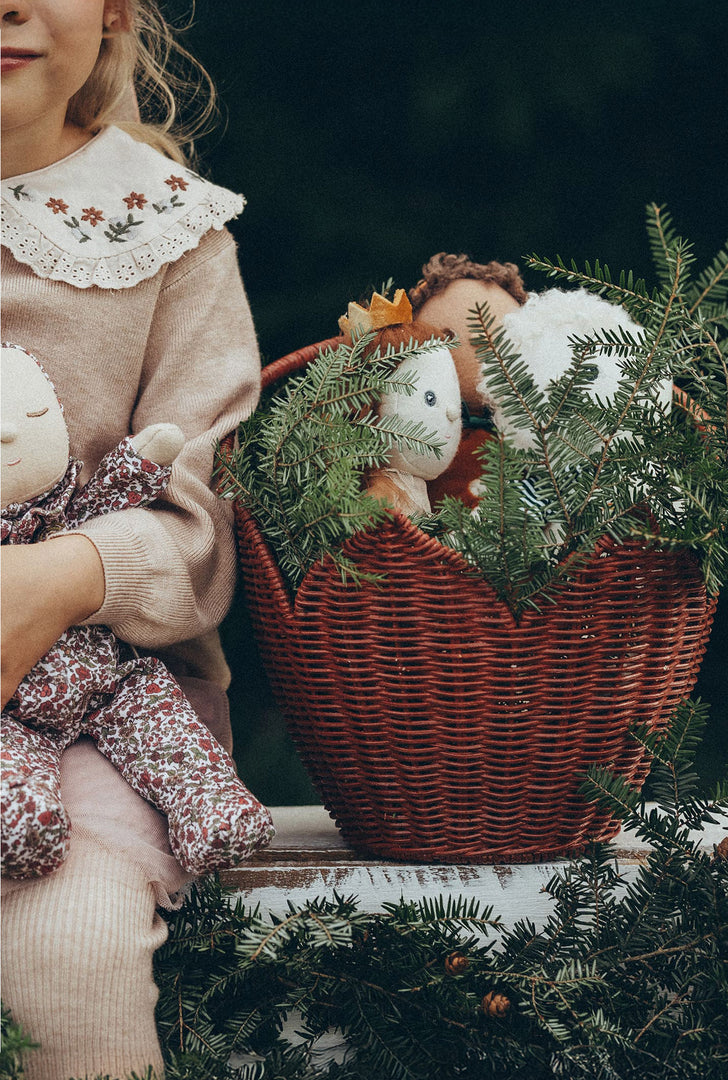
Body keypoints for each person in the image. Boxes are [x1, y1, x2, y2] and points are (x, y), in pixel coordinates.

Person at [0, 1, 261, 1075]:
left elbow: (201, 522)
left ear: (111, 8)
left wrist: (62, 577)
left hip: (96, 726)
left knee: (69, 949)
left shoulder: (167, 235)